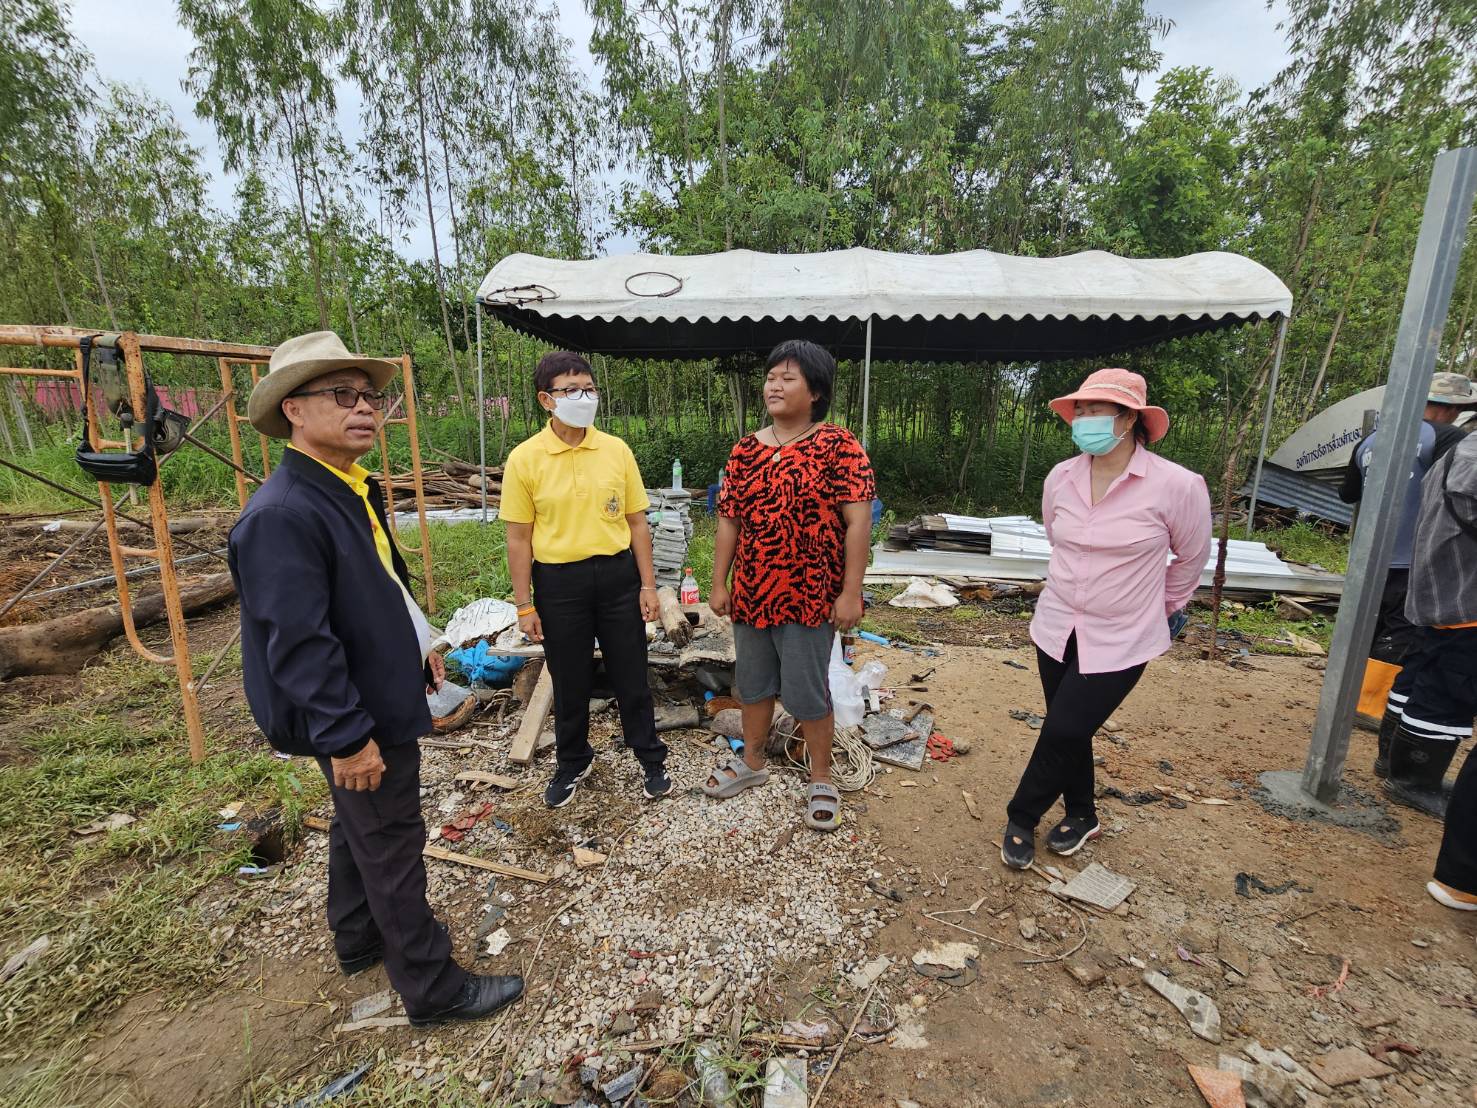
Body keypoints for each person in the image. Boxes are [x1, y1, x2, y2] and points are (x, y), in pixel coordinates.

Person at [230, 330, 523, 1027]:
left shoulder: (343, 489)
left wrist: (419, 641)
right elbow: (299, 643)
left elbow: (376, 589)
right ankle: (433, 988)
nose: (364, 409)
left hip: (373, 691)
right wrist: (346, 736)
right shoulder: (283, 513)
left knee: (356, 823)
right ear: (293, 411)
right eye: (342, 395)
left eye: (371, 397)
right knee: (390, 838)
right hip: (354, 711)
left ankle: (356, 937)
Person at [1001, 368, 1211, 870]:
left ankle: (1021, 816)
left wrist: (1158, 610)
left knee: (1065, 727)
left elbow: (1191, 559)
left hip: (1123, 635)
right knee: (1070, 728)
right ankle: (1082, 814)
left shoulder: (1177, 486)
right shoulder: (1061, 477)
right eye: (1080, 410)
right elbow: (1059, 538)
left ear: (1129, 418)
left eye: (1097, 410)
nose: (1084, 420)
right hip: (1056, 626)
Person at [704, 340, 875, 832]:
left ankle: (821, 777)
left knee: (805, 691)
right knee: (754, 686)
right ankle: (753, 762)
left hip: (810, 593)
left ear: (816, 391)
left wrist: (850, 591)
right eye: (771, 377)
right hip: (754, 591)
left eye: (789, 378)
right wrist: (720, 582)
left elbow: (858, 523)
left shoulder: (839, 446)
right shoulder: (745, 451)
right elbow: (729, 522)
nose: (774, 386)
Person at [501, 351, 670, 809]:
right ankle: (573, 760)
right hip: (558, 583)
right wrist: (524, 605)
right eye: (570, 390)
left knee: (631, 671)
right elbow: (519, 538)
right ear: (546, 400)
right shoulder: (525, 459)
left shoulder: (615, 450)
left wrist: (648, 585)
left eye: (589, 388)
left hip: (617, 577)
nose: (583, 397)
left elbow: (637, 524)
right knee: (569, 677)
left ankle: (649, 754)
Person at [1339, 371, 1475, 761]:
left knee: (1368, 625)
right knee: (1402, 634)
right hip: (1415, 557)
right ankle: (1368, 707)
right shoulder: (1450, 438)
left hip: (1367, 555)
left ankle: (1348, 695)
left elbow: (1347, 492)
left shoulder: (1371, 439)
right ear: (1451, 409)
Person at [1383, 428, 1477, 827]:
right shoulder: (1470, 461)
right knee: (1447, 688)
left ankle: (1392, 758)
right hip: (1462, 595)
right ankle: (1413, 779)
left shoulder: (1461, 451)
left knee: (1420, 673)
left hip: (1441, 585)